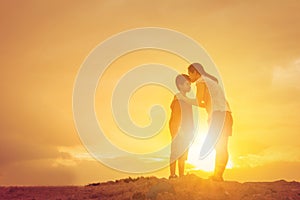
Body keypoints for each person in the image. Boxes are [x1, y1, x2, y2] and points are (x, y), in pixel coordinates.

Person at [178, 63, 233, 181]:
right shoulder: (210, 81)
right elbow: (205, 104)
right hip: (226, 114)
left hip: (218, 115)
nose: (190, 77)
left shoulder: (201, 81)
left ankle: (217, 176)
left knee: (218, 146)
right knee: (223, 146)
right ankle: (218, 175)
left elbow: (198, 101)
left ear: (195, 73)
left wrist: (184, 99)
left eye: (190, 74)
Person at [169, 74, 195, 179]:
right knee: (175, 152)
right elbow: (176, 115)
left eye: (190, 84)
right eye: (187, 84)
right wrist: (178, 129)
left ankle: (181, 175)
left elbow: (190, 117)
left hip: (187, 130)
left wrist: (191, 131)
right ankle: (172, 174)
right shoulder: (178, 98)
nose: (189, 86)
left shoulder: (187, 100)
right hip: (179, 130)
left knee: (183, 154)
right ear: (180, 85)